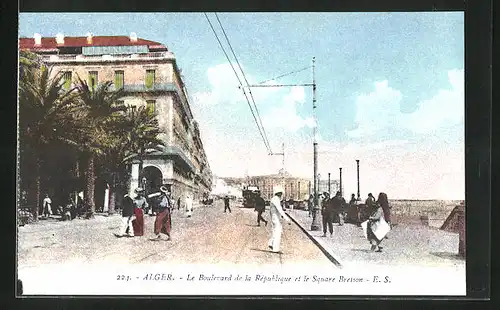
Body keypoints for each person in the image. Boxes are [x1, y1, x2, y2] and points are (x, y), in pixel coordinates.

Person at [268, 186, 291, 253]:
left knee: (276, 231)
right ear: (279, 194)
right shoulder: (275, 200)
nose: (281, 196)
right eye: (281, 194)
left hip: (275, 218)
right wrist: (287, 219)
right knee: (277, 232)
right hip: (276, 218)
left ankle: (271, 243)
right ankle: (275, 248)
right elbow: (280, 210)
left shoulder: (275, 199)